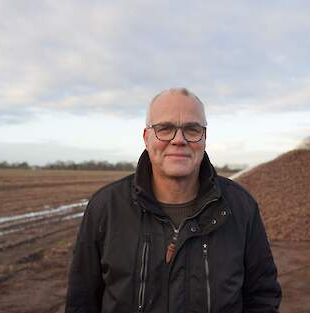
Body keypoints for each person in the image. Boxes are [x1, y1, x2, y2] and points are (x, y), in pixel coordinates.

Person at [65, 88, 282, 313]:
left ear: (205, 138)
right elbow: (81, 301)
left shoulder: (240, 207)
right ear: (146, 137)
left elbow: (262, 297)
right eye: (165, 128)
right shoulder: (105, 208)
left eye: (192, 129)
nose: (179, 140)